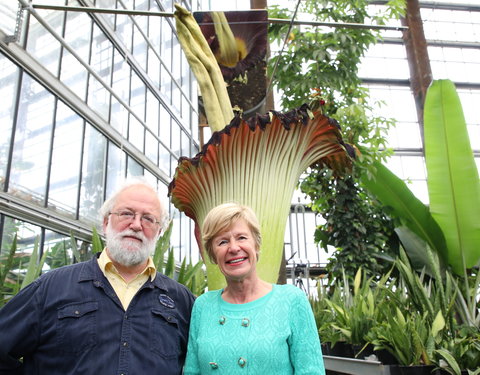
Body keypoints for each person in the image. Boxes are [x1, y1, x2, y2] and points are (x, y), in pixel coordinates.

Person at [0, 178, 195, 375]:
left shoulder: (181, 300)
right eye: (126, 213)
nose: (136, 225)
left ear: (159, 231)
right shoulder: (50, 288)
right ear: (105, 222)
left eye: (148, 218)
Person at [183, 203, 325, 374]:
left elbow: (311, 371)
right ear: (213, 254)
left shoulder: (291, 301)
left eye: (242, 237)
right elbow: (192, 371)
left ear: (256, 245)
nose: (234, 248)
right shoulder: (203, 306)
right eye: (222, 241)